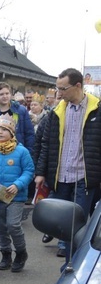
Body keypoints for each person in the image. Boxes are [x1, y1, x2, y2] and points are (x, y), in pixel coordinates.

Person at [35, 68, 101, 260]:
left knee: (76, 224)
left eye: (63, 89)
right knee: (62, 224)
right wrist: (40, 173)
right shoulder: (56, 112)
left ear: (78, 86)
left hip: (84, 177)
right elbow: (46, 144)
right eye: (57, 89)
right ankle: (69, 260)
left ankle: (73, 265)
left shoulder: (97, 110)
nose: (59, 94)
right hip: (60, 176)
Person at [0, 115, 34, 272]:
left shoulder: (21, 151)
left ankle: (20, 253)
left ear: (12, 133)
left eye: (4, 129)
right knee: (1, 227)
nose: (0, 132)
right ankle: (6, 254)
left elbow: (29, 170)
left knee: (13, 225)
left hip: (16, 197)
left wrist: (18, 184)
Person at [0, 81, 35, 154]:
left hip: (18, 151)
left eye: (7, 93)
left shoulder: (21, 110)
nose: (5, 96)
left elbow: (29, 134)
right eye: (1, 94)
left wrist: (28, 152)